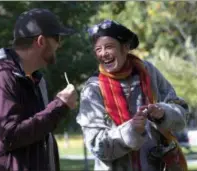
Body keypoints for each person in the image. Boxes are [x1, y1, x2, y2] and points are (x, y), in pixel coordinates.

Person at [0, 8, 78, 171]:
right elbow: (9, 136)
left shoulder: (35, 80)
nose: (59, 44)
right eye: (57, 38)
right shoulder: (0, 77)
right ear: (41, 41)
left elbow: (37, 134)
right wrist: (59, 106)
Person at [76, 19, 189, 171]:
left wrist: (163, 113)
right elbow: (97, 146)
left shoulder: (148, 72)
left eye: (109, 47)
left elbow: (182, 115)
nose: (103, 54)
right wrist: (131, 130)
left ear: (125, 47)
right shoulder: (93, 89)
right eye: (98, 50)